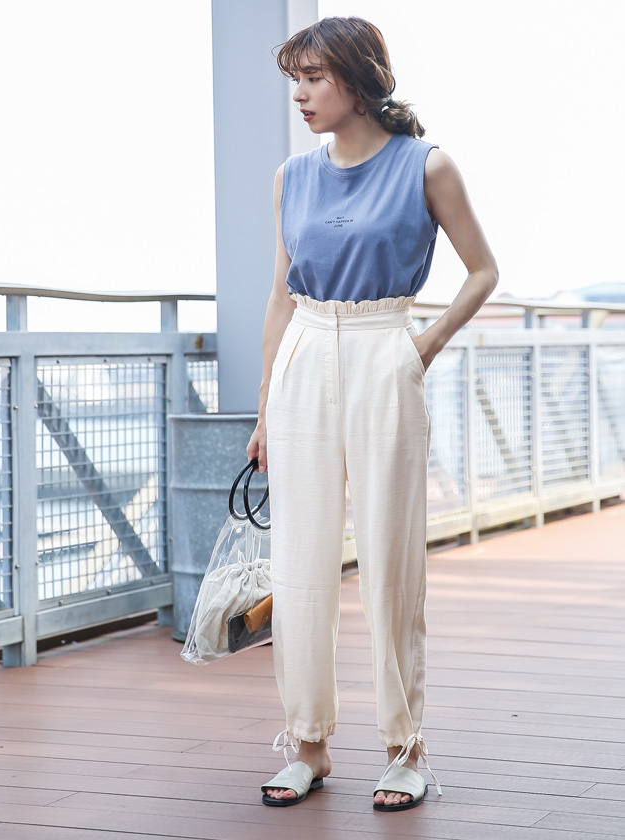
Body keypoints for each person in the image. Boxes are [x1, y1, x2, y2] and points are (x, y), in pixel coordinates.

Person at [246, 15, 498, 812]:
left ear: (358, 80)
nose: (299, 94)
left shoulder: (426, 165)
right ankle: (307, 743)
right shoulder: (292, 176)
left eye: (313, 77)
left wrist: (421, 347)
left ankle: (404, 748)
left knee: (391, 562)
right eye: (295, 78)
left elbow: (483, 272)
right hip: (304, 355)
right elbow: (279, 297)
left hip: (385, 346)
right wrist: (263, 408)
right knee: (301, 563)